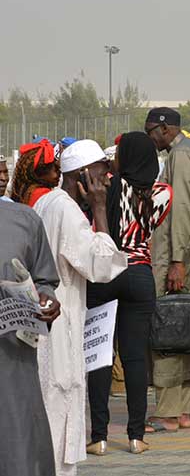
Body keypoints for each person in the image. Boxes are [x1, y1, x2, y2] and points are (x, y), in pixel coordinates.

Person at [16, 140, 129, 473]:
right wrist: (99, 209)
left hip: (46, 326)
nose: (108, 180)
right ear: (83, 175)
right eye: (102, 173)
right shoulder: (65, 208)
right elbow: (102, 266)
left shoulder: (48, 203)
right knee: (58, 410)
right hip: (58, 329)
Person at [86, 132, 173, 453]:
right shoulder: (163, 192)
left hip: (105, 272)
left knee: (99, 354)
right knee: (136, 358)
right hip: (140, 274)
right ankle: (136, 435)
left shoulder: (107, 185)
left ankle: (99, 436)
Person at [144, 107, 190, 432]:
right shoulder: (189, 152)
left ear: (163, 128)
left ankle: (169, 413)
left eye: (149, 130)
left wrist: (176, 261)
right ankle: (183, 411)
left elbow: (184, 209)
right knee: (184, 332)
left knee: (169, 331)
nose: (148, 136)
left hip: (180, 259)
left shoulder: (183, 156)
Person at [0, 199, 62, 476]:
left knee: (17, 446)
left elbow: (44, 278)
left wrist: (47, 298)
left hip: (12, 360)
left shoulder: (24, 220)